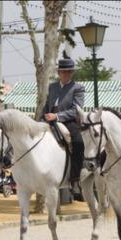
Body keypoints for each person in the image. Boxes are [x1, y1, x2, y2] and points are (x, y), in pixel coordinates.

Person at [41, 59, 85, 201]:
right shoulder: (52, 87)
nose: (66, 74)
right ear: (59, 72)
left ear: (72, 73)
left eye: (69, 71)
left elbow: (76, 110)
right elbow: (47, 104)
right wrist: (41, 118)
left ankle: (75, 179)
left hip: (68, 121)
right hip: (49, 119)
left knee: (78, 143)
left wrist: (57, 116)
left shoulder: (77, 88)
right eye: (63, 71)